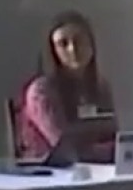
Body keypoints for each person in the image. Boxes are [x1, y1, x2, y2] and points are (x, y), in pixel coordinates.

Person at [16, 10, 116, 162]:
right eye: (63, 44)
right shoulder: (41, 91)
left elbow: (113, 134)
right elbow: (64, 148)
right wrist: (112, 150)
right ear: (53, 51)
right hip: (50, 172)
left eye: (79, 40)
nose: (72, 49)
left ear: (91, 45)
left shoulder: (101, 87)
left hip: (97, 169)